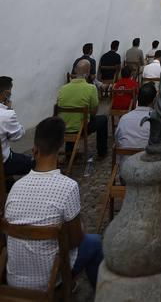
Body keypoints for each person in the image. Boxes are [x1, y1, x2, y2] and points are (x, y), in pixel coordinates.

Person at [4, 116, 103, 290]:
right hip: (48, 279)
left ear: (35, 150)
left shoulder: (16, 187)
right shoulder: (68, 186)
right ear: (60, 147)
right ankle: (96, 292)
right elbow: (75, 240)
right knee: (94, 242)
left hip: (14, 279)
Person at [57, 60, 108, 158]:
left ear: (75, 71)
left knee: (70, 118)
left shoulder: (63, 88)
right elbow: (93, 112)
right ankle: (102, 152)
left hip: (63, 128)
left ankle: (70, 153)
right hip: (81, 128)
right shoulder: (91, 88)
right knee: (103, 119)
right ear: (88, 72)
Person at [0, 76, 33, 180]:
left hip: (5, 157)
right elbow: (17, 136)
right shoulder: (6, 114)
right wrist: (9, 109)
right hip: (4, 162)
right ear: (6, 93)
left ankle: (8, 185)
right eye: (10, 91)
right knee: (35, 163)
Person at [115, 83, 157, 152]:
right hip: (147, 161)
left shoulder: (124, 119)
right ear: (154, 101)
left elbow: (117, 141)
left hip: (125, 161)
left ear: (137, 98)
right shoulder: (155, 122)